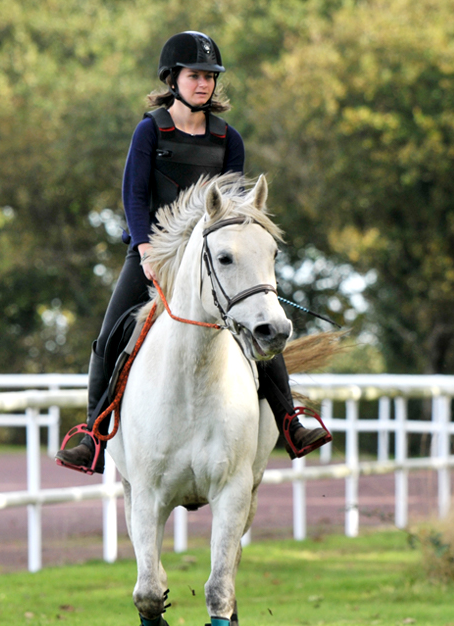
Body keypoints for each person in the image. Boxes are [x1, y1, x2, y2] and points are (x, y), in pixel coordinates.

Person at [56, 30, 330, 474]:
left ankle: (290, 420)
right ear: (173, 79)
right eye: (194, 75)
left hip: (213, 260)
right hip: (155, 255)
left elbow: (234, 210)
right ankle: (93, 435)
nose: (203, 84)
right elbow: (133, 197)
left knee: (262, 322)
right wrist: (144, 249)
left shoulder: (228, 139)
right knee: (108, 339)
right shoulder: (150, 130)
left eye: (209, 77)